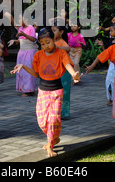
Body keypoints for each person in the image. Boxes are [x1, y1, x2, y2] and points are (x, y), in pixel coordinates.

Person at [10, 27, 80, 157]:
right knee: (42, 121)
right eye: (42, 44)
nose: (45, 46)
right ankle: (54, 137)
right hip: (42, 91)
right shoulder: (38, 55)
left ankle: (50, 145)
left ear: (53, 40)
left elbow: (68, 65)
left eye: (48, 42)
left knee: (53, 120)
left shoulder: (61, 53)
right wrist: (24, 66)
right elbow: (36, 74)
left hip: (56, 91)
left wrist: (74, 75)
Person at [8, 15, 38, 97]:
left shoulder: (31, 27)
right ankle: (25, 89)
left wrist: (24, 34)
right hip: (22, 51)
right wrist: (14, 41)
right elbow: (21, 40)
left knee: (28, 71)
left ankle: (29, 90)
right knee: (21, 71)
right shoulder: (20, 28)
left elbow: (34, 39)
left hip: (29, 51)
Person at [94, 23, 115, 105]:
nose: (110, 32)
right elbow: (106, 53)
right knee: (108, 82)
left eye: (111, 31)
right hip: (112, 65)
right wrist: (102, 46)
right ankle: (110, 98)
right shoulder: (110, 41)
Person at [52, 25, 72, 118]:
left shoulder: (61, 42)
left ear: (61, 32)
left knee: (64, 92)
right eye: (51, 30)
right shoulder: (51, 42)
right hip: (54, 71)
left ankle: (63, 113)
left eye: (54, 30)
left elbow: (68, 48)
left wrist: (56, 47)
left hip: (64, 71)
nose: (53, 32)